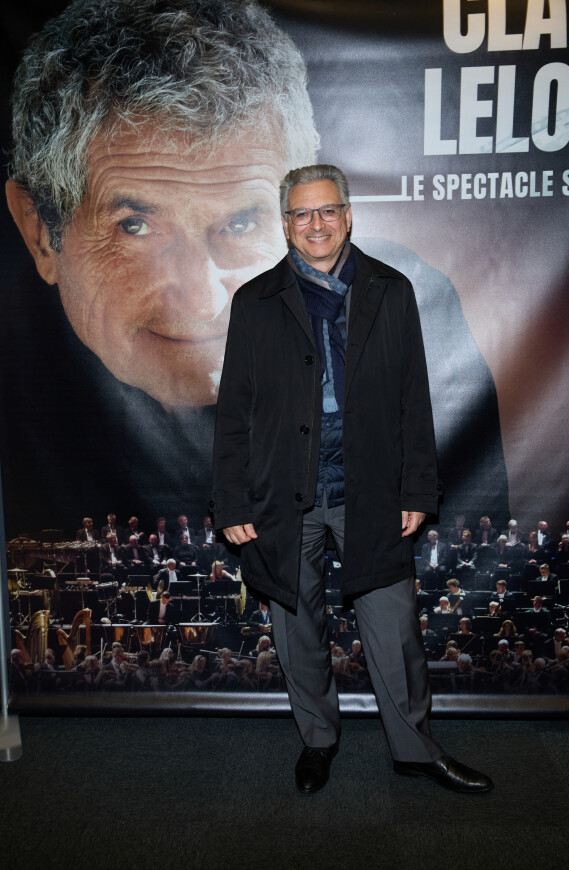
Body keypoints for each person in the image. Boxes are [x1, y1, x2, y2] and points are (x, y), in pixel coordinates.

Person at [1, 0, 508, 543]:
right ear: (39, 233)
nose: (202, 301)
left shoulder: (391, 301)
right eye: (135, 227)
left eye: (242, 222)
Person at [212, 164, 493, 794]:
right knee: (297, 629)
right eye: (302, 214)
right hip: (282, 496)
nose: (316, 225)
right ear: (285, 224)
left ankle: (416, 751)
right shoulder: (253, 303)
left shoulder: (391, 290)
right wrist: (231, 499)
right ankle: (317, 742)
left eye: (328, 211)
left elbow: (412, 401)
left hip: (371, 490)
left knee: (395, 633)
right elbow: (235, 415)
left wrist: (419, 490)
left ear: (348, 215)